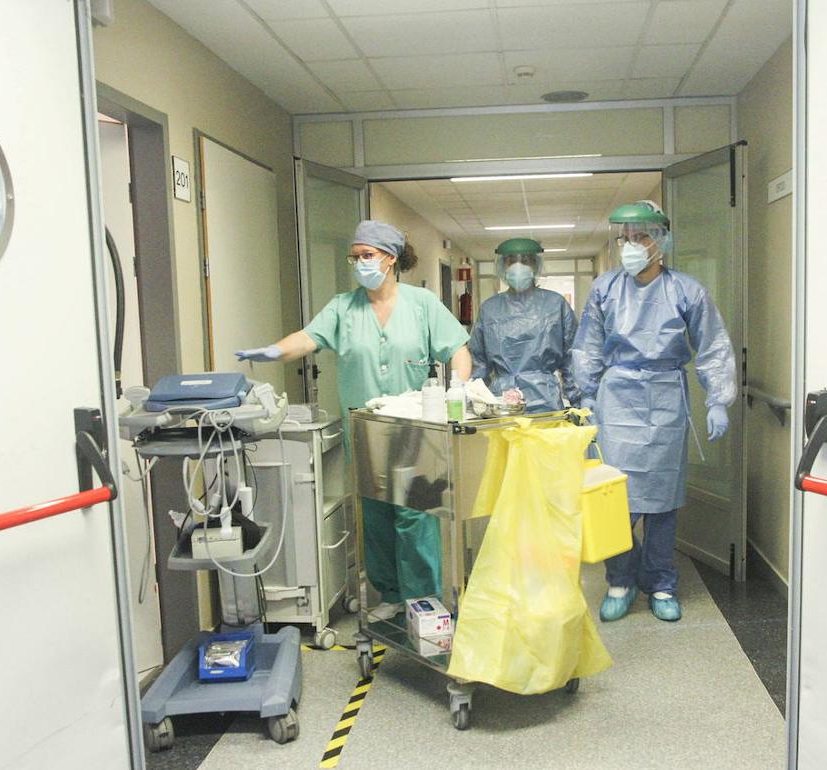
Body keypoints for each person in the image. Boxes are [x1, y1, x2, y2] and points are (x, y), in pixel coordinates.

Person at [237, 220, 471, 616]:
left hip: (415, 429)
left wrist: (459, 389)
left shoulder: (422, 305)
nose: (360, 263)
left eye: (368, 256)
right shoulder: (343, 307)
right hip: (363, 430)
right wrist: (275, 351)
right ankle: (392, 595)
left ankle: (423, 601)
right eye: (356, 256)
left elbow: (458, 350)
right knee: (376, 516)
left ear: (390, 259)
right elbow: (307, 338)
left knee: (415, 518)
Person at [570, 200, 737, 623]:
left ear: (661, 241)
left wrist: (717, 398)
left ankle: (662, 583)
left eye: (640, 236)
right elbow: (588, 344)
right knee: (616, 499)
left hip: (664, 397)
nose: (631, 245)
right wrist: (585, 395)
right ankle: (621, 580)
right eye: (624, 237)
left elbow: (713, 345)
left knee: (662, 501)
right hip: (616, 398)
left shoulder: (686, 291)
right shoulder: (605, 289)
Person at [467, 238, 580, 413]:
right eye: (512, 261)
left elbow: (572, 358)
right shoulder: (490, 309)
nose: (518, 266)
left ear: (535, 265)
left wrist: (579, 401)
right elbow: (478, 363)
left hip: (545, 401)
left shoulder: (555, 304)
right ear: (503, 267)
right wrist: (473, 399)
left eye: (525, 261)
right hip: (502, 402)